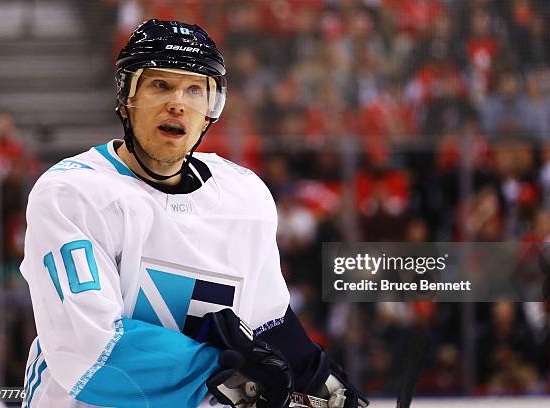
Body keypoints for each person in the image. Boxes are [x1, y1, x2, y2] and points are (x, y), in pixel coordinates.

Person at [20, 19, 368, 408]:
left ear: (210, 109)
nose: (177, 102)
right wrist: (230, 377)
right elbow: (88, 347)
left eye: (194, 89)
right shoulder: (73, 192)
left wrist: (322, 381)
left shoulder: (244, 195)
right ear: (125, 97)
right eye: (160, 85)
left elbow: (268, 322)